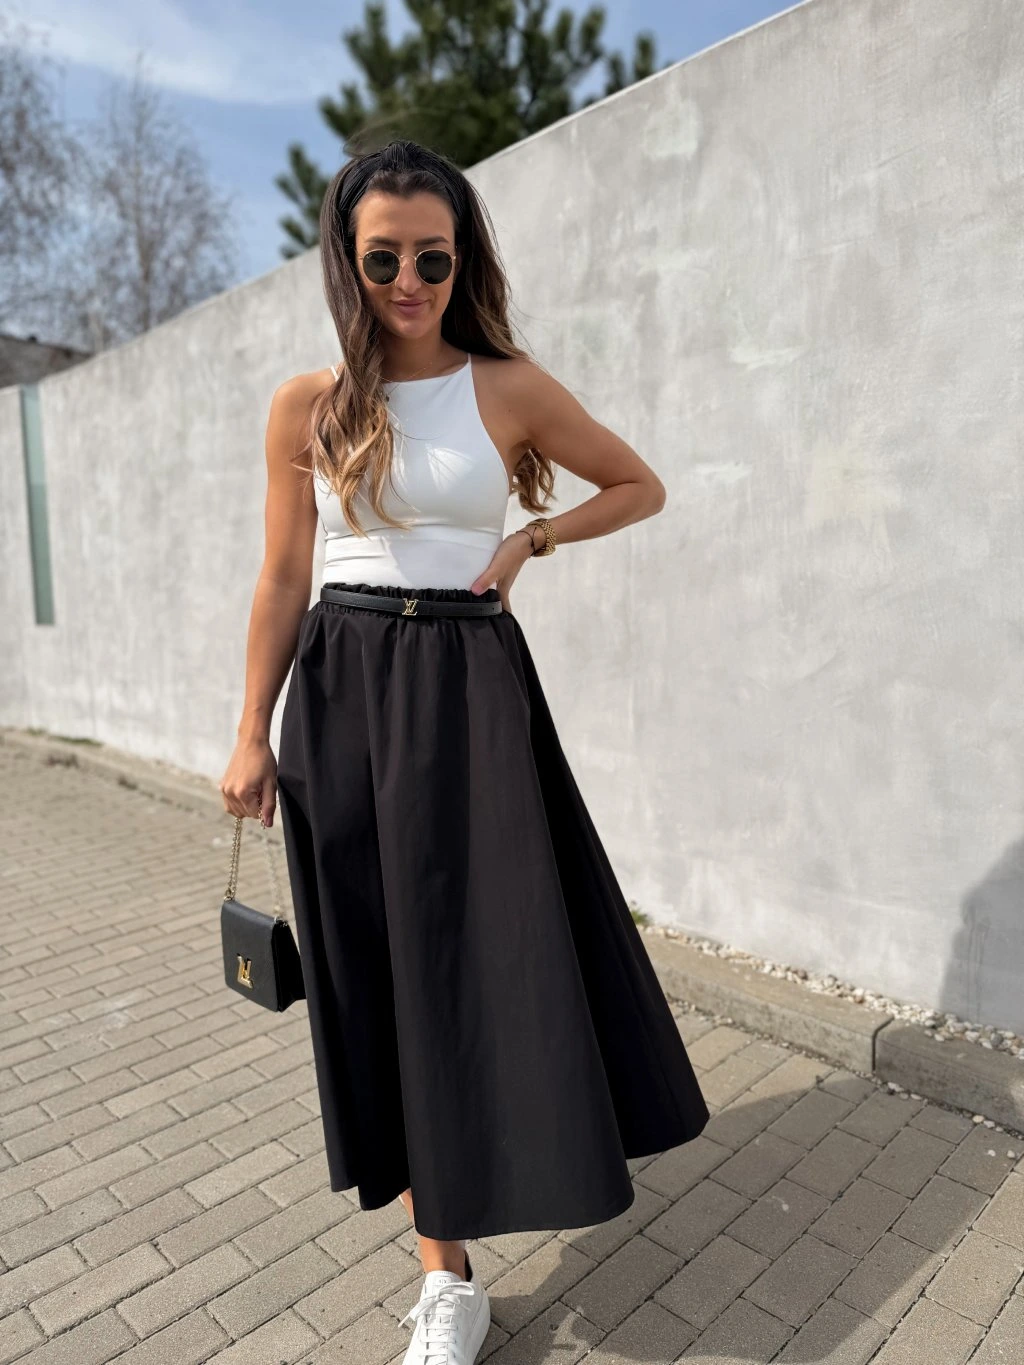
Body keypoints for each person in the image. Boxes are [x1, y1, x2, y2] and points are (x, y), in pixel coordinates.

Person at [219, 138, 710, 1365]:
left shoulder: (507, 386)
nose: (408, 281)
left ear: (461, 260)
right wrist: (249, 732)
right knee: (377, 973)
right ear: (345, 262)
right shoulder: (307, 406)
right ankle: (446, 1275)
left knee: (495, 953)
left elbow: (637, 484)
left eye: (431, 259)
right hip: (342, 696)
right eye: (382, 258)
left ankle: (528, 1158)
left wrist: (531, 541)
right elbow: (282, 577)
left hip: (470, 690)